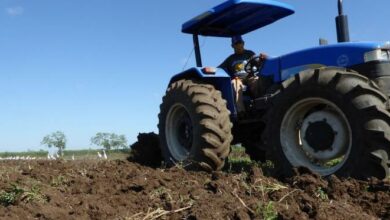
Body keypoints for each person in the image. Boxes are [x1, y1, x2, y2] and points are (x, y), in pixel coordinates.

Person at [219, 36, 266, 114]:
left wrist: (261, 59)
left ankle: (261, 105)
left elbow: (258, 62)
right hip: (238, 79)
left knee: (256, 81)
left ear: (243, 43)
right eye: (236, 44)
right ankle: (241, 112)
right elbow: (220, 68)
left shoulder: (249, 54)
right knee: (235, 83)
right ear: (232, 46)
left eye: (240, 43)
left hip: (249, 77)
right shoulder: (230, 59)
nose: (239, 45)